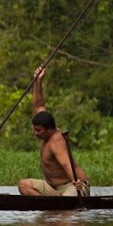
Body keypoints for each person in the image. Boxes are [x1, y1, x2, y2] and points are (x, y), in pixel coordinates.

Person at [18, 66, 90, 197]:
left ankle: (57, 206)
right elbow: (38, 105)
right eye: (34, 129)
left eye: (38, 130)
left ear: (49, 128)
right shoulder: (44, 123)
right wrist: (37, 82)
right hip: (53, 188)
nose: (35, 133)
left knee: (67, 201)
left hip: (73, 185)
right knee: (24, 185)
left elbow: (66, 163)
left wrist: (76, 181)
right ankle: (48, 207)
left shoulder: (56, 140)